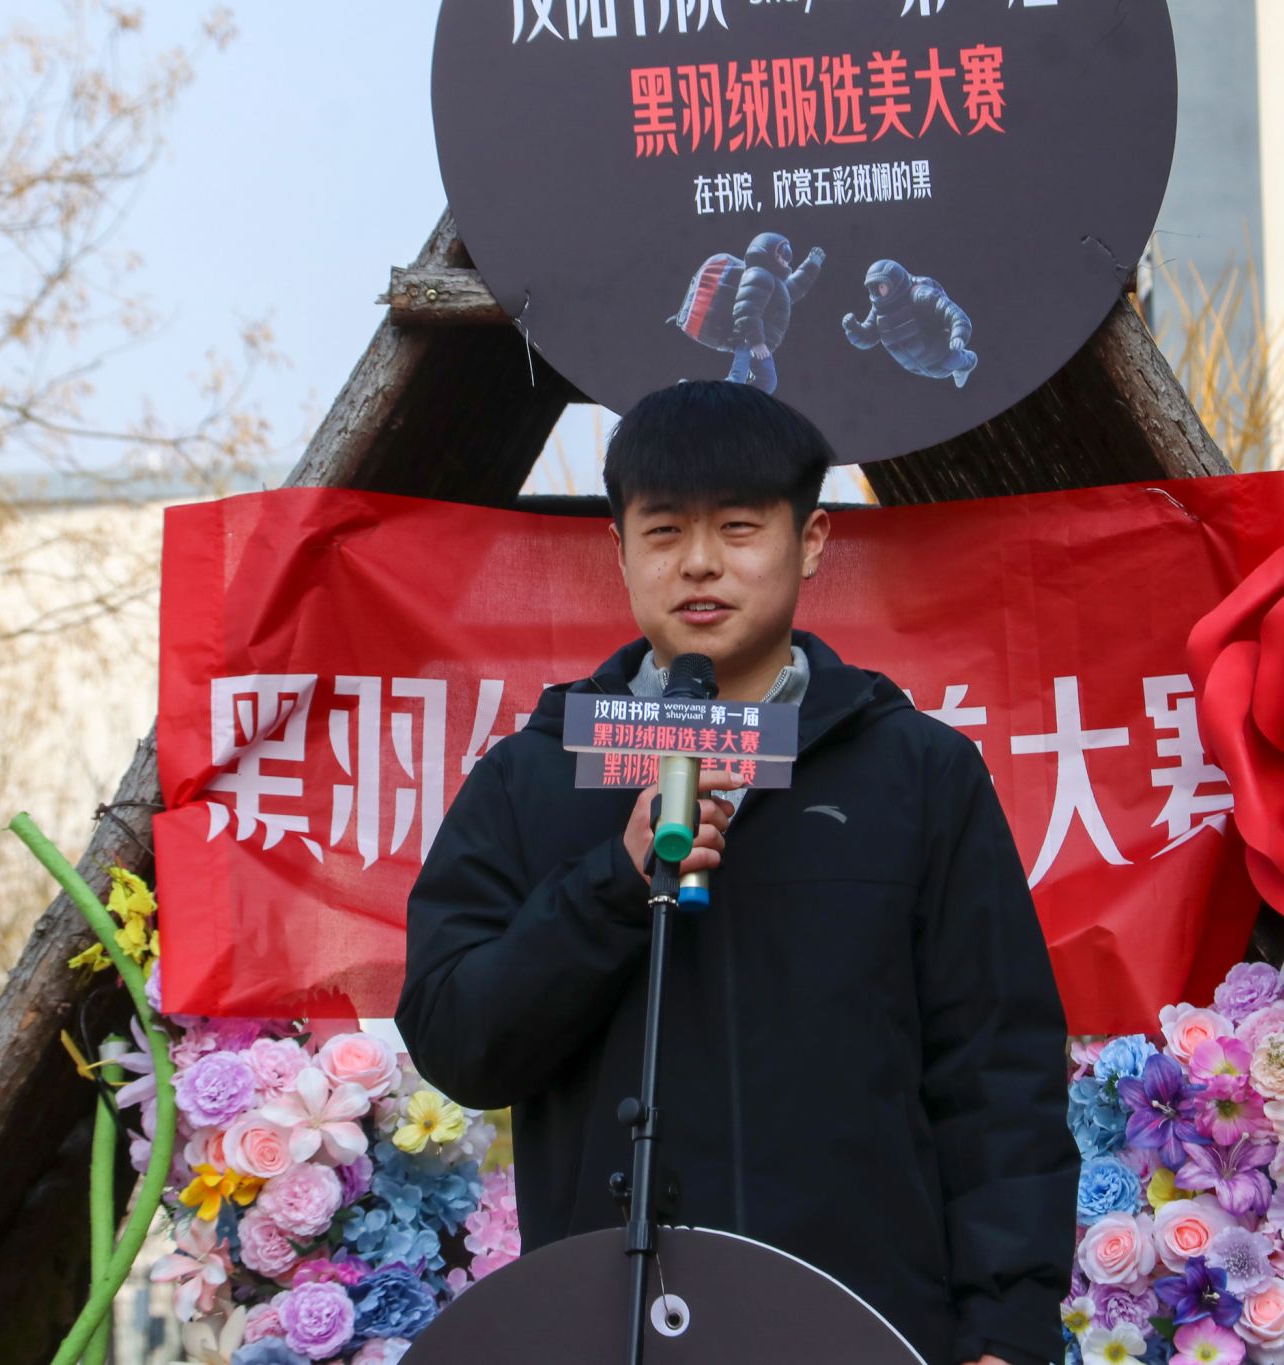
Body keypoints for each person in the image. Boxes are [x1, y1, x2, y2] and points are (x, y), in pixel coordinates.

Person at [395, 380, 1077, 1365]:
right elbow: (457, 1040)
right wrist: (613, 883)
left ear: (810, 540)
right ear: (619, 551)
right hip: (609, 1330)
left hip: (864, 1326)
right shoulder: (533, 777)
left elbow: (998, 1074)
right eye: (664, 530)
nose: (699, 562)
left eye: (739, 527)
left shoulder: (917, 775)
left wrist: (1006, 1332)